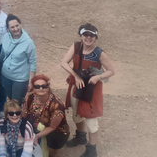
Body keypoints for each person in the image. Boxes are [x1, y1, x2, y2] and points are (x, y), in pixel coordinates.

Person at [60, 24, 116, 157]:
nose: (88, 38)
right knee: (76, 114)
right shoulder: (76, 46)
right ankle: (81, 137)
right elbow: (63, 62)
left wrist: (98, 77)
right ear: (81, 35)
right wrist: (76, 76)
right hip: (77, 86)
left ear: (95, 38)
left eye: (92, 35)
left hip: (91, 90)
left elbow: (111, 71)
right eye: (86, 35)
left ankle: (92, 150)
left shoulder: (99, 53)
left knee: (91, 121)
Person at [22, 75, 68, 157]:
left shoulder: (57, 105)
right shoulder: (29, 98)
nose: (41, 89)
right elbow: (24, 117)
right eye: (37, 86)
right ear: (33, 88)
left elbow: (52, 127)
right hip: (34, 125)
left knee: (52, 151)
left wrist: (37, 136)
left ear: (48, 87)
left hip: (55, 131)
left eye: (44, 86)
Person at [0, 15, 37, 114]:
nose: (15, 29)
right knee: (11, 100)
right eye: (12, 27)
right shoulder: (6, 36)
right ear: (8, 29)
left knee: (16, 103)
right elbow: (3, 53)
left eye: (17, 25)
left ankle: (16, 122)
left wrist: (31, 81)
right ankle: (12, 118)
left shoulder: (28, 43)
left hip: (19, 79)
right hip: (6, 75)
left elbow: (33, 62)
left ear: (20, 25)